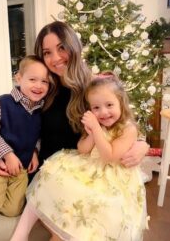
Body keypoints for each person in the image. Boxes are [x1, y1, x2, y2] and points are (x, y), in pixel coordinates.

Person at [0, 21, 149, 238]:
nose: (56, 58)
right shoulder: (40, 87)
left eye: (62, 48)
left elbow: (120, 119)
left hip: (84, 176)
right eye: (47, 52)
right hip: (44, 173)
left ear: (74, 46)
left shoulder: (93, 88)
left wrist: (142, 144)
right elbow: (7, 121)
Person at [11, 71, 148, 241]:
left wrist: (97, 130)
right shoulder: (97, 124)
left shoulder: (128, 129)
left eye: (109, 105)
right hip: (89, 165)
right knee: (51, 173)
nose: (103, 112)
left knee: (95, 202)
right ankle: (20, 235)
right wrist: (91, 131)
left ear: (121, 103)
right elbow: (82, 149)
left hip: (112, 175)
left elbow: (109, 156)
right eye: (96, 108)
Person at [0, 55, 51, 217]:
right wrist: (7, 154)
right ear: (19, 78)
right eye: (32, 79)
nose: (39, 86)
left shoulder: (42, 110)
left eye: (44, 81)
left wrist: (35, 151)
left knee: (13, 211)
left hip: (21, 170)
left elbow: (37, 135)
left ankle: (0, 195)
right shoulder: (0, 102)